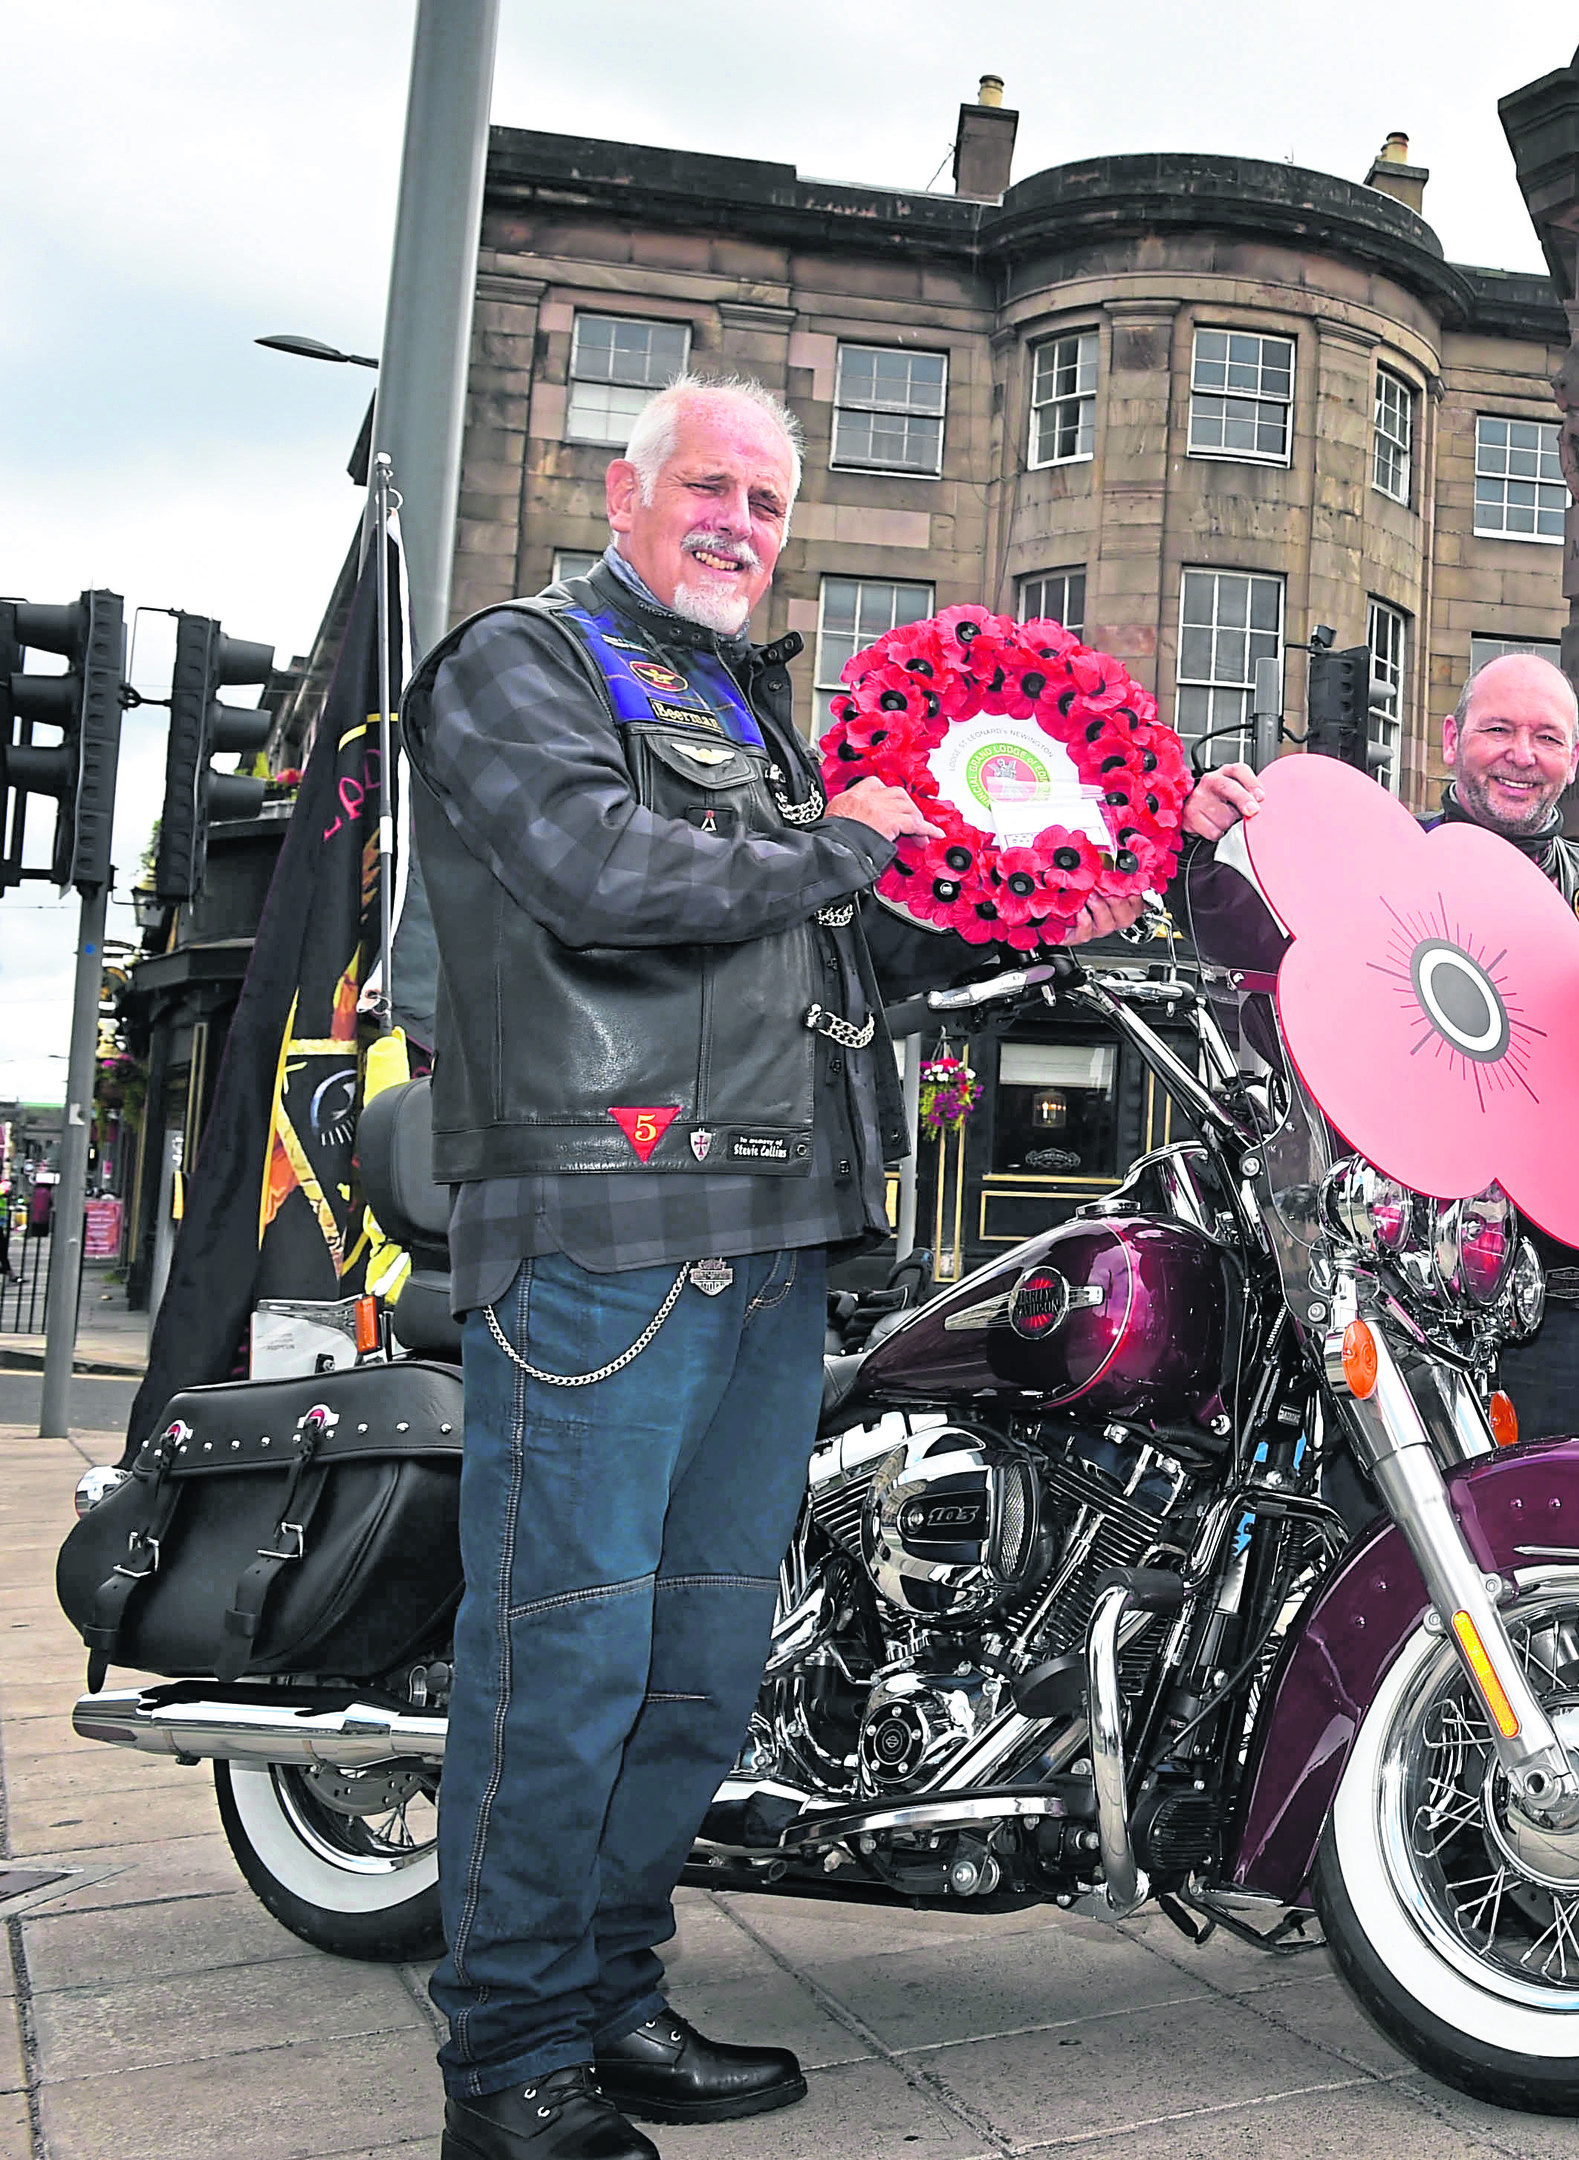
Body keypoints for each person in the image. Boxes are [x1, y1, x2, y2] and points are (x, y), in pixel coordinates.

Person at [404, 374, 1148, 2159]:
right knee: (564, 1659)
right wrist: (849, 841)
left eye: (767, 503)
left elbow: (838, 956)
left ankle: (611, 2000)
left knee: (699, 1668)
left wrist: (1038, 897)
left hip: (772, 1228)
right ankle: (508, 2072)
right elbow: (595, 872)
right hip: (603, 1226)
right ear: (626, 490)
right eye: (712, 488)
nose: (740, 523)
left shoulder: (758, 714)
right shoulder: (526, 663)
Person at [1180, 653, 1579, 1440]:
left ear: (1575, 759)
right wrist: (1202, 848)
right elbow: (1251, 962)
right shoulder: (1366, 860)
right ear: (1452, 737)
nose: (1522, 754)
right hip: (1379, 1265)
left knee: (1538, 1515)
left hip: (1548, 1285)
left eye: (1547, 737)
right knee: (1376, 1527)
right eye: (1498, 729)